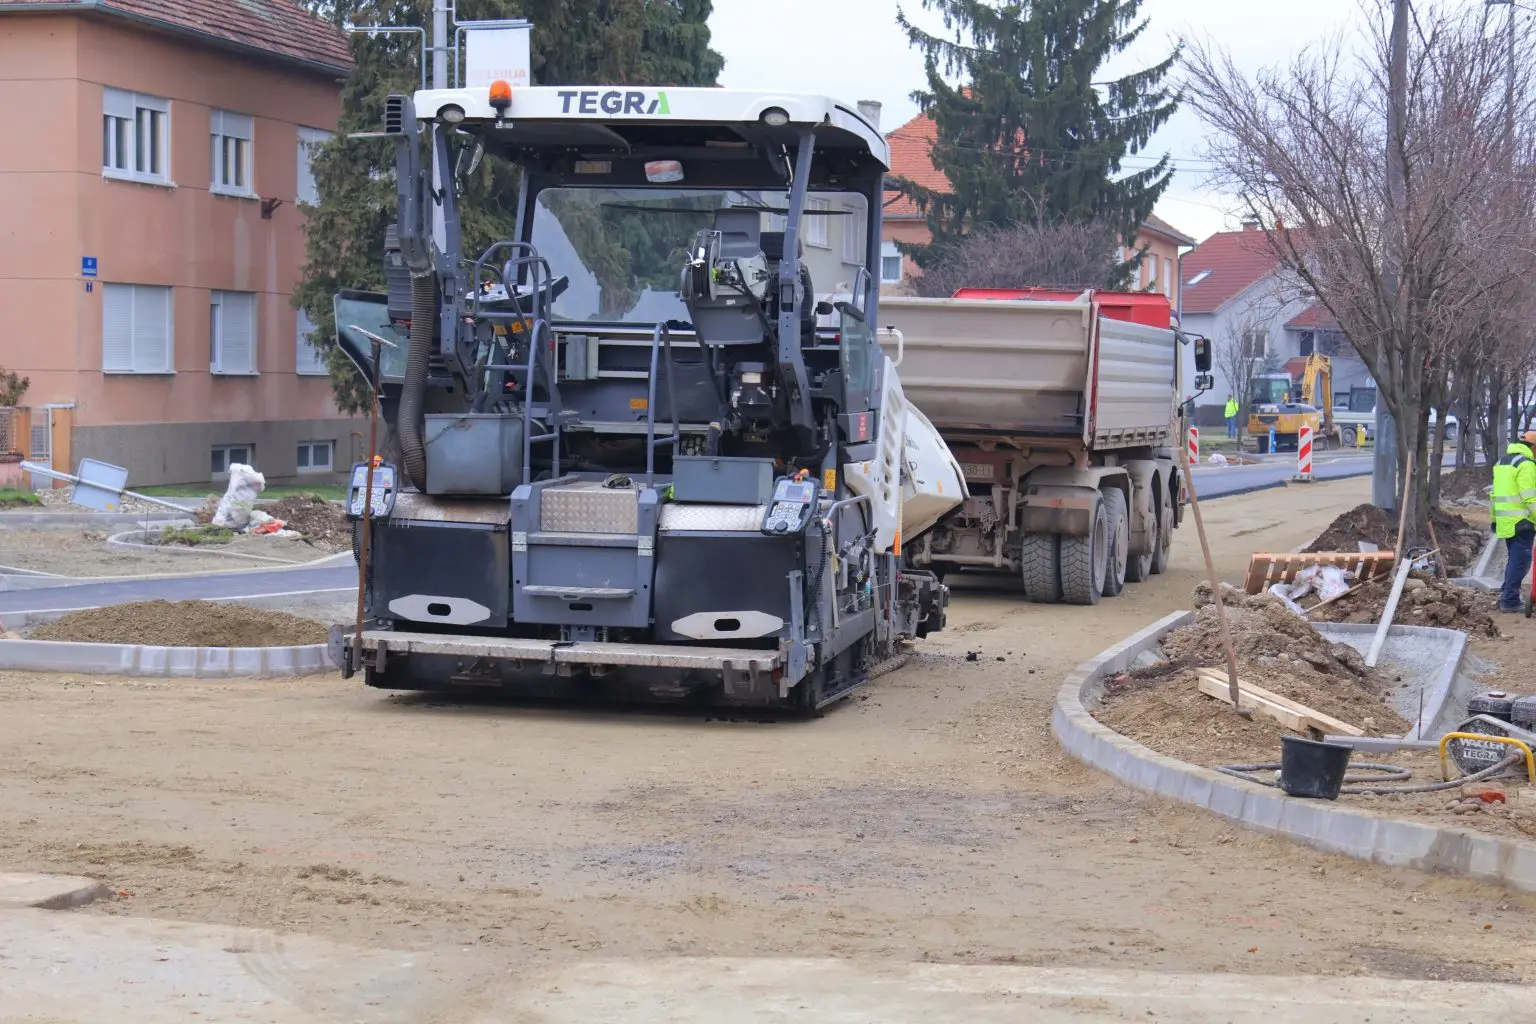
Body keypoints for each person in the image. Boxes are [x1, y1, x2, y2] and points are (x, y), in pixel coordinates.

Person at [1491, 430, 1536, 613]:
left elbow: (1494, 495)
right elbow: (1530, 497)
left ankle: (1506, 593)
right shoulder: (1526, 465)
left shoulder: (1501, 463)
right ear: (1533, 447)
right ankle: (1509, 600)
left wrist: (1494, 519)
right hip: (1522, 521)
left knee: (1514, 559)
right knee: (1521, 561)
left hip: (1505, 520)